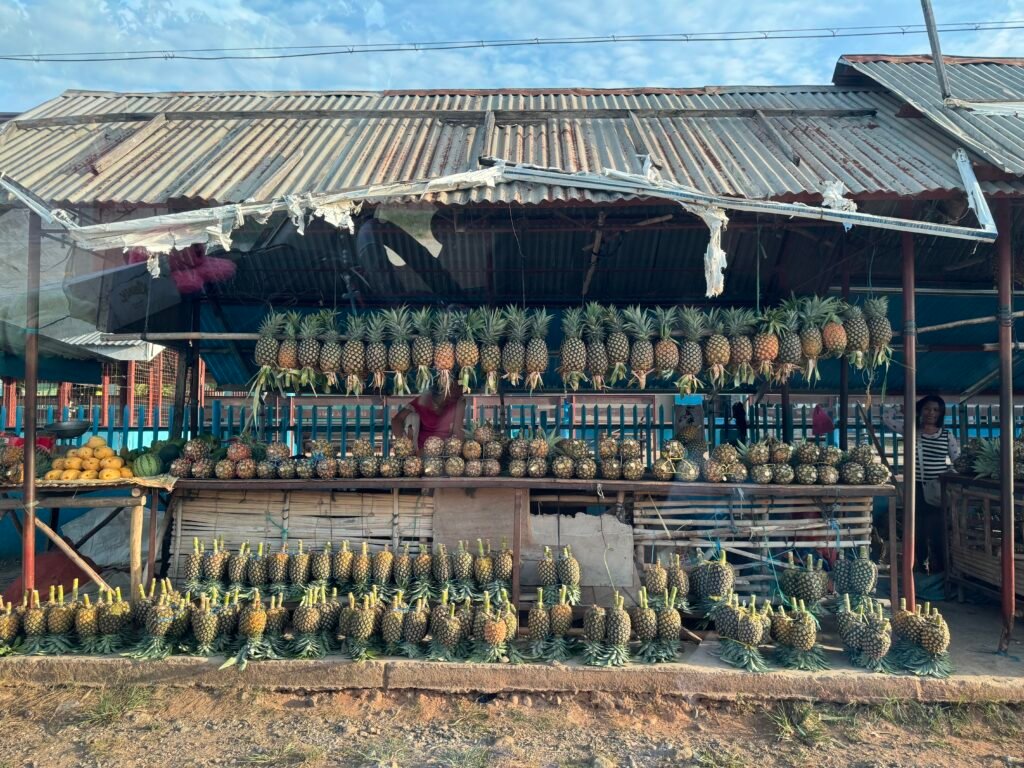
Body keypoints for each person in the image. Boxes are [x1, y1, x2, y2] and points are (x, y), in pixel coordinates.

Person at [882, 395, 960, 573]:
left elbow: (957, 460)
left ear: (940, 413)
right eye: (926, 409)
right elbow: (886, 418)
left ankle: (941, 567)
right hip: (915, 489)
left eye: (935, 410)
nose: (931, 413)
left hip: (938, 490)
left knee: (938, 531)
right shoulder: (911, 430)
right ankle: (920, 565)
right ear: (919, 411)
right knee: (917, 531)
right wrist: (900, 409)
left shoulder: (947, 435)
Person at [391, 382, 466, 454]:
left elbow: (458, 431)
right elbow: (397, 420)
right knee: (412, 417)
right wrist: (404, 442)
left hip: (445, 450)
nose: (460, 391)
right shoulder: (423, 401)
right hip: (421, 451)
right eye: (455, 387)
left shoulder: (457, 404)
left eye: (460, 387)